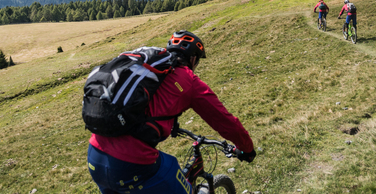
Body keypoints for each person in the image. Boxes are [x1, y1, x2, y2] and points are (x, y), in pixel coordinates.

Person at [87, 30, 256, 193]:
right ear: (193, 58)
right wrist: (246, 149)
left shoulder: (152, 71)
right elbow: (224, 120)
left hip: (95, 155)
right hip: (132, 163)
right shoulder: (188, 79)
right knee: (174, 171)